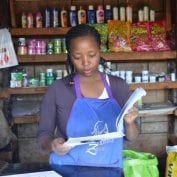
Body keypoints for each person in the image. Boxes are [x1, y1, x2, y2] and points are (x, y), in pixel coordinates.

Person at [37, 24, 138, 170]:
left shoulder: (118, 86)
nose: (85, 63)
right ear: (69, 56)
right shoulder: (58, 89)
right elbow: (43, 136)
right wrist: (52, 144)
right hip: (68, 168)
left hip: (109, 169)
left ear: (100, 50)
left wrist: (129, 124)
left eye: (92, 55)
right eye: (77, 57)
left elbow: (132, 137)